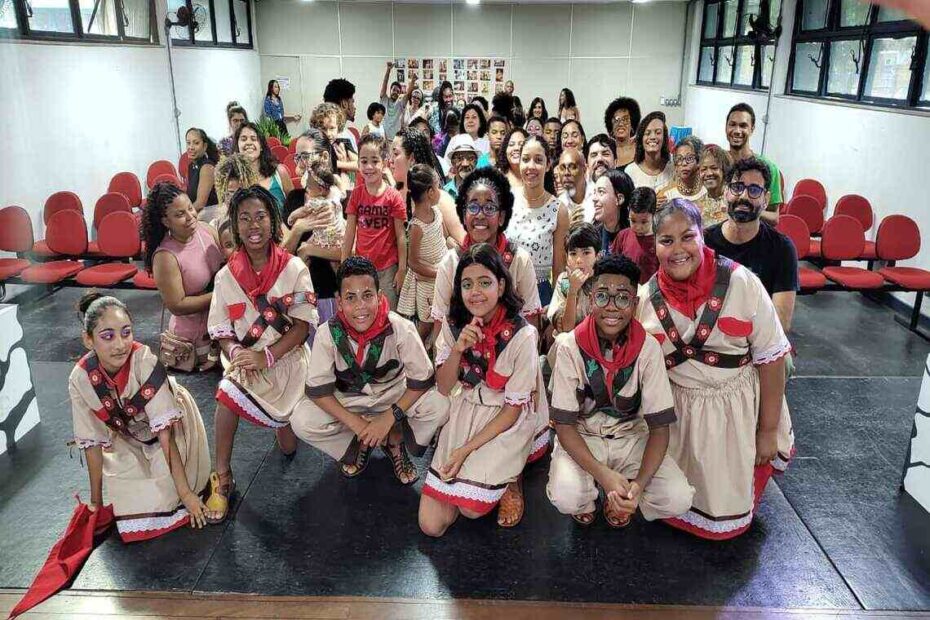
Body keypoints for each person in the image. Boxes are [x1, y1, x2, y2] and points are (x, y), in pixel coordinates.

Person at [636, 199, 794, 540]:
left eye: (687, 237)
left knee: (724, 510)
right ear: (654, 244)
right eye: (666, 240)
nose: (678, 249)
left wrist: (767, 430)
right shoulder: (645, 298)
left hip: (734, 411)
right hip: (678, 415)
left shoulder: (742, 283)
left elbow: (772, 357)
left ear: (702, 236)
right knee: (674, 500)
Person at [547, 254, 694, 527]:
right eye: (602, 296)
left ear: (635, 304)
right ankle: (589, 497)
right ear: (590, 300)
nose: (612, 307)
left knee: (678, 498)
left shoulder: (648, 348)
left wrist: (638, 486)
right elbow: (565, 425)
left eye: (623, 298)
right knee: (567, 497)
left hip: (631, 438)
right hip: (585, 435)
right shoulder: (570, 346)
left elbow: (660, 429)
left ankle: (621, 496)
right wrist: (603, 475)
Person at [205, 186, 318, 523]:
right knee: (225, 395)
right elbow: (222, 330)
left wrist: (267, 357)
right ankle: (222, 478)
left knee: (288, 447)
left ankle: (279, 425)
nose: (253, 225)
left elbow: (301, 329)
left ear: (273, 220)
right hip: (249, 365)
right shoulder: (226, 276)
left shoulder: (295, 268)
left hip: (288, 361)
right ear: (236, 227)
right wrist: (238, 351)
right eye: (244, 219)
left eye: (260, 216)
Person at [419, 244, 548, 535]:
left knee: (471, 509)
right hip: (467, 409)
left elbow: (512, 411)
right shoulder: (455, 325)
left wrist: (464, 451)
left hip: (504, 419)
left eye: (485, 282)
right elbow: (443, 386)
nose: (475, 291)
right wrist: (457, 350)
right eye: (467, 284)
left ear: (501, 286)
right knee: (431, 526)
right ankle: (478, 483)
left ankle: (507, 479)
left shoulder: (523, 334)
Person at [290, 257, 450, 483]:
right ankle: (359, 441)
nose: (360, 306)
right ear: (339, 302)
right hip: (350, 402)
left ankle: (394, 438)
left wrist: (389, 418)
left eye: (367, 295)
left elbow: (421, 382)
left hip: (393, 397)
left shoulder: (400, 328)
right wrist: (358, 424)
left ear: (380, 296)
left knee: (440, 405)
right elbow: (319, 392)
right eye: (350, 298)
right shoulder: (328, 333)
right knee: (301, 419)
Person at [69, 293, 213, 540]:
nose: (120, 344)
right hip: (128, 434)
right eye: (108, 336)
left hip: (172, 427)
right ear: (88, 340)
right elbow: (91, 443)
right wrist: (96, 503)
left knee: (168, 495)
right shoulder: (80, 378)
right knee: (126, 501)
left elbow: (165, 435)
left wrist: (187, 494)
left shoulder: (145, 362)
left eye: (126, 333)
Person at [430, 167, 543, 342]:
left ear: (501, 217)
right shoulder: (451, 262)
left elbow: (531, 323)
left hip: (511, 356)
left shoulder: (519, 259)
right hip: (462, 357)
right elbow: (440, 325)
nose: (480, 215)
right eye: (473, 207)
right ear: (464, 214)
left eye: (490, 207)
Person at [703, 158, 799, 333]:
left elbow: (781, 323)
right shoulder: (704, 242)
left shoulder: (783, 249)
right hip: (708, 335)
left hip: (760, 339)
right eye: (737, 187)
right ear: (726, 192)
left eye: (754, 190)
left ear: (766, 199)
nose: (744, 196)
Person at [142, 182, 224, 371]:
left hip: (219, 328)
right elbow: (177, 306)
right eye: (180, 214)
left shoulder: (205, 230)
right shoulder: (165, 256)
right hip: (193, 345)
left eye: (190, 208)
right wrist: (222, 295)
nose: (190, 217)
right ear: (165, 221)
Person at [283, 128, 344, 325]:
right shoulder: (294, 199)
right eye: (297, 157)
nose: (300, 163)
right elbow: (283, 254)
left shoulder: (340, 199)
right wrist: (299, 228)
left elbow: (348, 250)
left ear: (324, 156)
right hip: (302, 293)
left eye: (305, 156)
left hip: (333, 291)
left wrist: (309, 249)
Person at [342, 134, 407, 309]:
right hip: (362, 268)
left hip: (388, 268)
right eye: (363, 161)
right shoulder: (356, 194)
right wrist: (344, 265)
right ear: (358, 164)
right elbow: (349, 233)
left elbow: (401, 236)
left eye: (374, 161)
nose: (369, 167)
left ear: (384, 162)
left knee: (387, 312)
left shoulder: (394, 197)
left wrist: (401, 270)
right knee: (366, 309)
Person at [509, 135, 570, 306]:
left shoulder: (559, 210)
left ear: (548, 164)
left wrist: (556, 308)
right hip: (505, 291)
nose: (531, 166)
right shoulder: (506, 199)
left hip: (539, 294)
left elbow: (559, 269)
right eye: (526, 159)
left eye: (538, 160)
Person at [390, 127, 466, 247]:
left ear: (412, 159)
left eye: (395, 154)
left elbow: (466, 244)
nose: (390, 160)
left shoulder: (441, 200)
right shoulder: (390, 197)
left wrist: (449, 245)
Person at [398, 165, 448, 341]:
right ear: (430, 192)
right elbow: (413, 262)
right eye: (437, 186)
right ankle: (416, 356)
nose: (440, 191)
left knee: (443, 320)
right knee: (427, 325)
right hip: (427, 284)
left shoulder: (437, 212)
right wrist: (438, 272)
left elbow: (443, 240)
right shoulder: (416, 227)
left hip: (442, 276)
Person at [725, 103, 783, 222]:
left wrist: (746, 209)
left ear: (752, 129)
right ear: (726, 127)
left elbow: (774, 218)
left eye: (743, 126)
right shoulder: (716, 164)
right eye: (732, 125)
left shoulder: (769, 168)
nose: (737, 131)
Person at [548, 222, 600, 338]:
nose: (579, 260)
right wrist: (573, 290)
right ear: (566, 258)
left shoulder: (604, 281)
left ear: (597, 256)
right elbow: (566, 328)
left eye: (586, 253)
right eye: (573, 253)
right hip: (569, 343)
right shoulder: (564, 280)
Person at [233, 121, 293, 213]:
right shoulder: (233, 180)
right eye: (243, 139)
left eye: (253, 139)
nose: (249, 142)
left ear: (261, 146)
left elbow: (295, 206)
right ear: (237, 146)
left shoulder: (279, 172)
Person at [611, 187, 659, 284]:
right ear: (628, 211)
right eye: (633, 221)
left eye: (644, 222)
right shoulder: (622, 236)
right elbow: (613, 264)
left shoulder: (660, 241)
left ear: (654, 215)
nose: (637, 227)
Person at [310, 102, 356, 184]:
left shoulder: (343, 143)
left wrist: (336, 164)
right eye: (323, 129)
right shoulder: (314, 146)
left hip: (342, 185)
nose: (328, 133)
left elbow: (359, 165)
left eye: (332, 128)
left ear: (338, 127)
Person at [626, 112, 674, 190]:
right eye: (647, 133)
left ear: (664, 138)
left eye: (658, 133)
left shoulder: (673, 167)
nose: (653, 137)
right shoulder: (630, 172)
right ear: (641, 139)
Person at [657, 135, 707, 206]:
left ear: (699, 162)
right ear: (675, 166)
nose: (684, 163)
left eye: (689, 158)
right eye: (679, 159)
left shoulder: (708, 189)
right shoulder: (666, 195)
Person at [212, 153, 259, 228]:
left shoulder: (262, 216)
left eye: (241, 192)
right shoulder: (216, 225)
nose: (235, 198)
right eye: (230, 193)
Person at [592, 168, 633, 250]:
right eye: (594, 192)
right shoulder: (592, 236)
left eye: (601, 192)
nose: (594, 198)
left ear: (619, 199)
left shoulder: (636, 236)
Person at [184, 128, 219, 220]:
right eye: (188, 143)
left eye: (196, 143)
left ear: (204, 146)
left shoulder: (207, 167)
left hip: (207, 216)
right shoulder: (191, 166)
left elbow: (200, 203)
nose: (191, 147)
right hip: (195, 213)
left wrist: (184, 216)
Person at [697, 144, 732, 227]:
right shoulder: (696, 206)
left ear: (724, 170)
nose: (709, 173)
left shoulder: (735, 200)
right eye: (704, 169)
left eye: (714, 168)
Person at [379, 61, 416, 139]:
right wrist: (388, 70)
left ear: (399, 93)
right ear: (390, 90)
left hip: (395, 139)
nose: (395, 92)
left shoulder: (400, 104)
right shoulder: (384, 100)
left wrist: (413, 80)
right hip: (383, 139)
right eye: (394, 90)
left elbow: (408, 94)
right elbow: (384, 84)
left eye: (398, 91)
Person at [558, 147, 594, 226]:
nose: (566, 173)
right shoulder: (558, 205)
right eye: (562, 168)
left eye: (572, 167)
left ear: (584, 170)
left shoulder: (597, 195)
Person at [604, 97, 641, 168]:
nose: (620, 124)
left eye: (625, 119)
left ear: (632, 125)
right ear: (611, 126)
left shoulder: (641, 148)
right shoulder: (606, 151)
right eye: (616, 120)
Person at [323, 78, 358, 153]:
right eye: (352, 102)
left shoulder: (322, 135)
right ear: (344, 104)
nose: (354, 107)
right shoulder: (341, 137)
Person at [442, 134, 479, 199]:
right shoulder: (445, 193)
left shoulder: (484, 190)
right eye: (459, 158)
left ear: (476, 162)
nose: (465, 164)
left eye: (470, 159)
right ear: (452, 162)